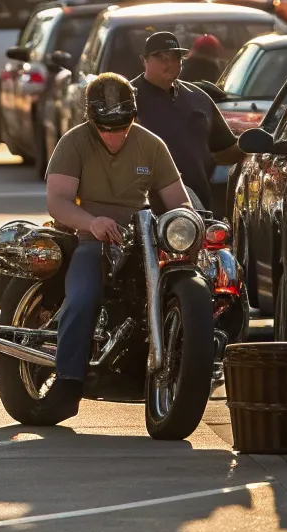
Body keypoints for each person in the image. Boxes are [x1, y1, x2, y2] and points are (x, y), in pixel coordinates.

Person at [41, 73, 193, 424]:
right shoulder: (73, 142)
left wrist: (182, 224)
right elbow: (58, 201)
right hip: (91, 238)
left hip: (143, 239)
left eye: (122, 126)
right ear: (90, 119)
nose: (114, 135)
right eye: (105, 128)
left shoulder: (151, 145)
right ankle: (67, 383)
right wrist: (92, 222)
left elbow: (178, 202)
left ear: (134, 116)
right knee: (82, 297)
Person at [131, 31, 241, 210]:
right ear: (144, 60)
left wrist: (253, 144)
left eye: (176, 57)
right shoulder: (127, 99)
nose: (170, 63)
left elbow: (225, 150)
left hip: (196, 208)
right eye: (162, 57)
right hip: (144, 210)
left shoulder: (198, 98)